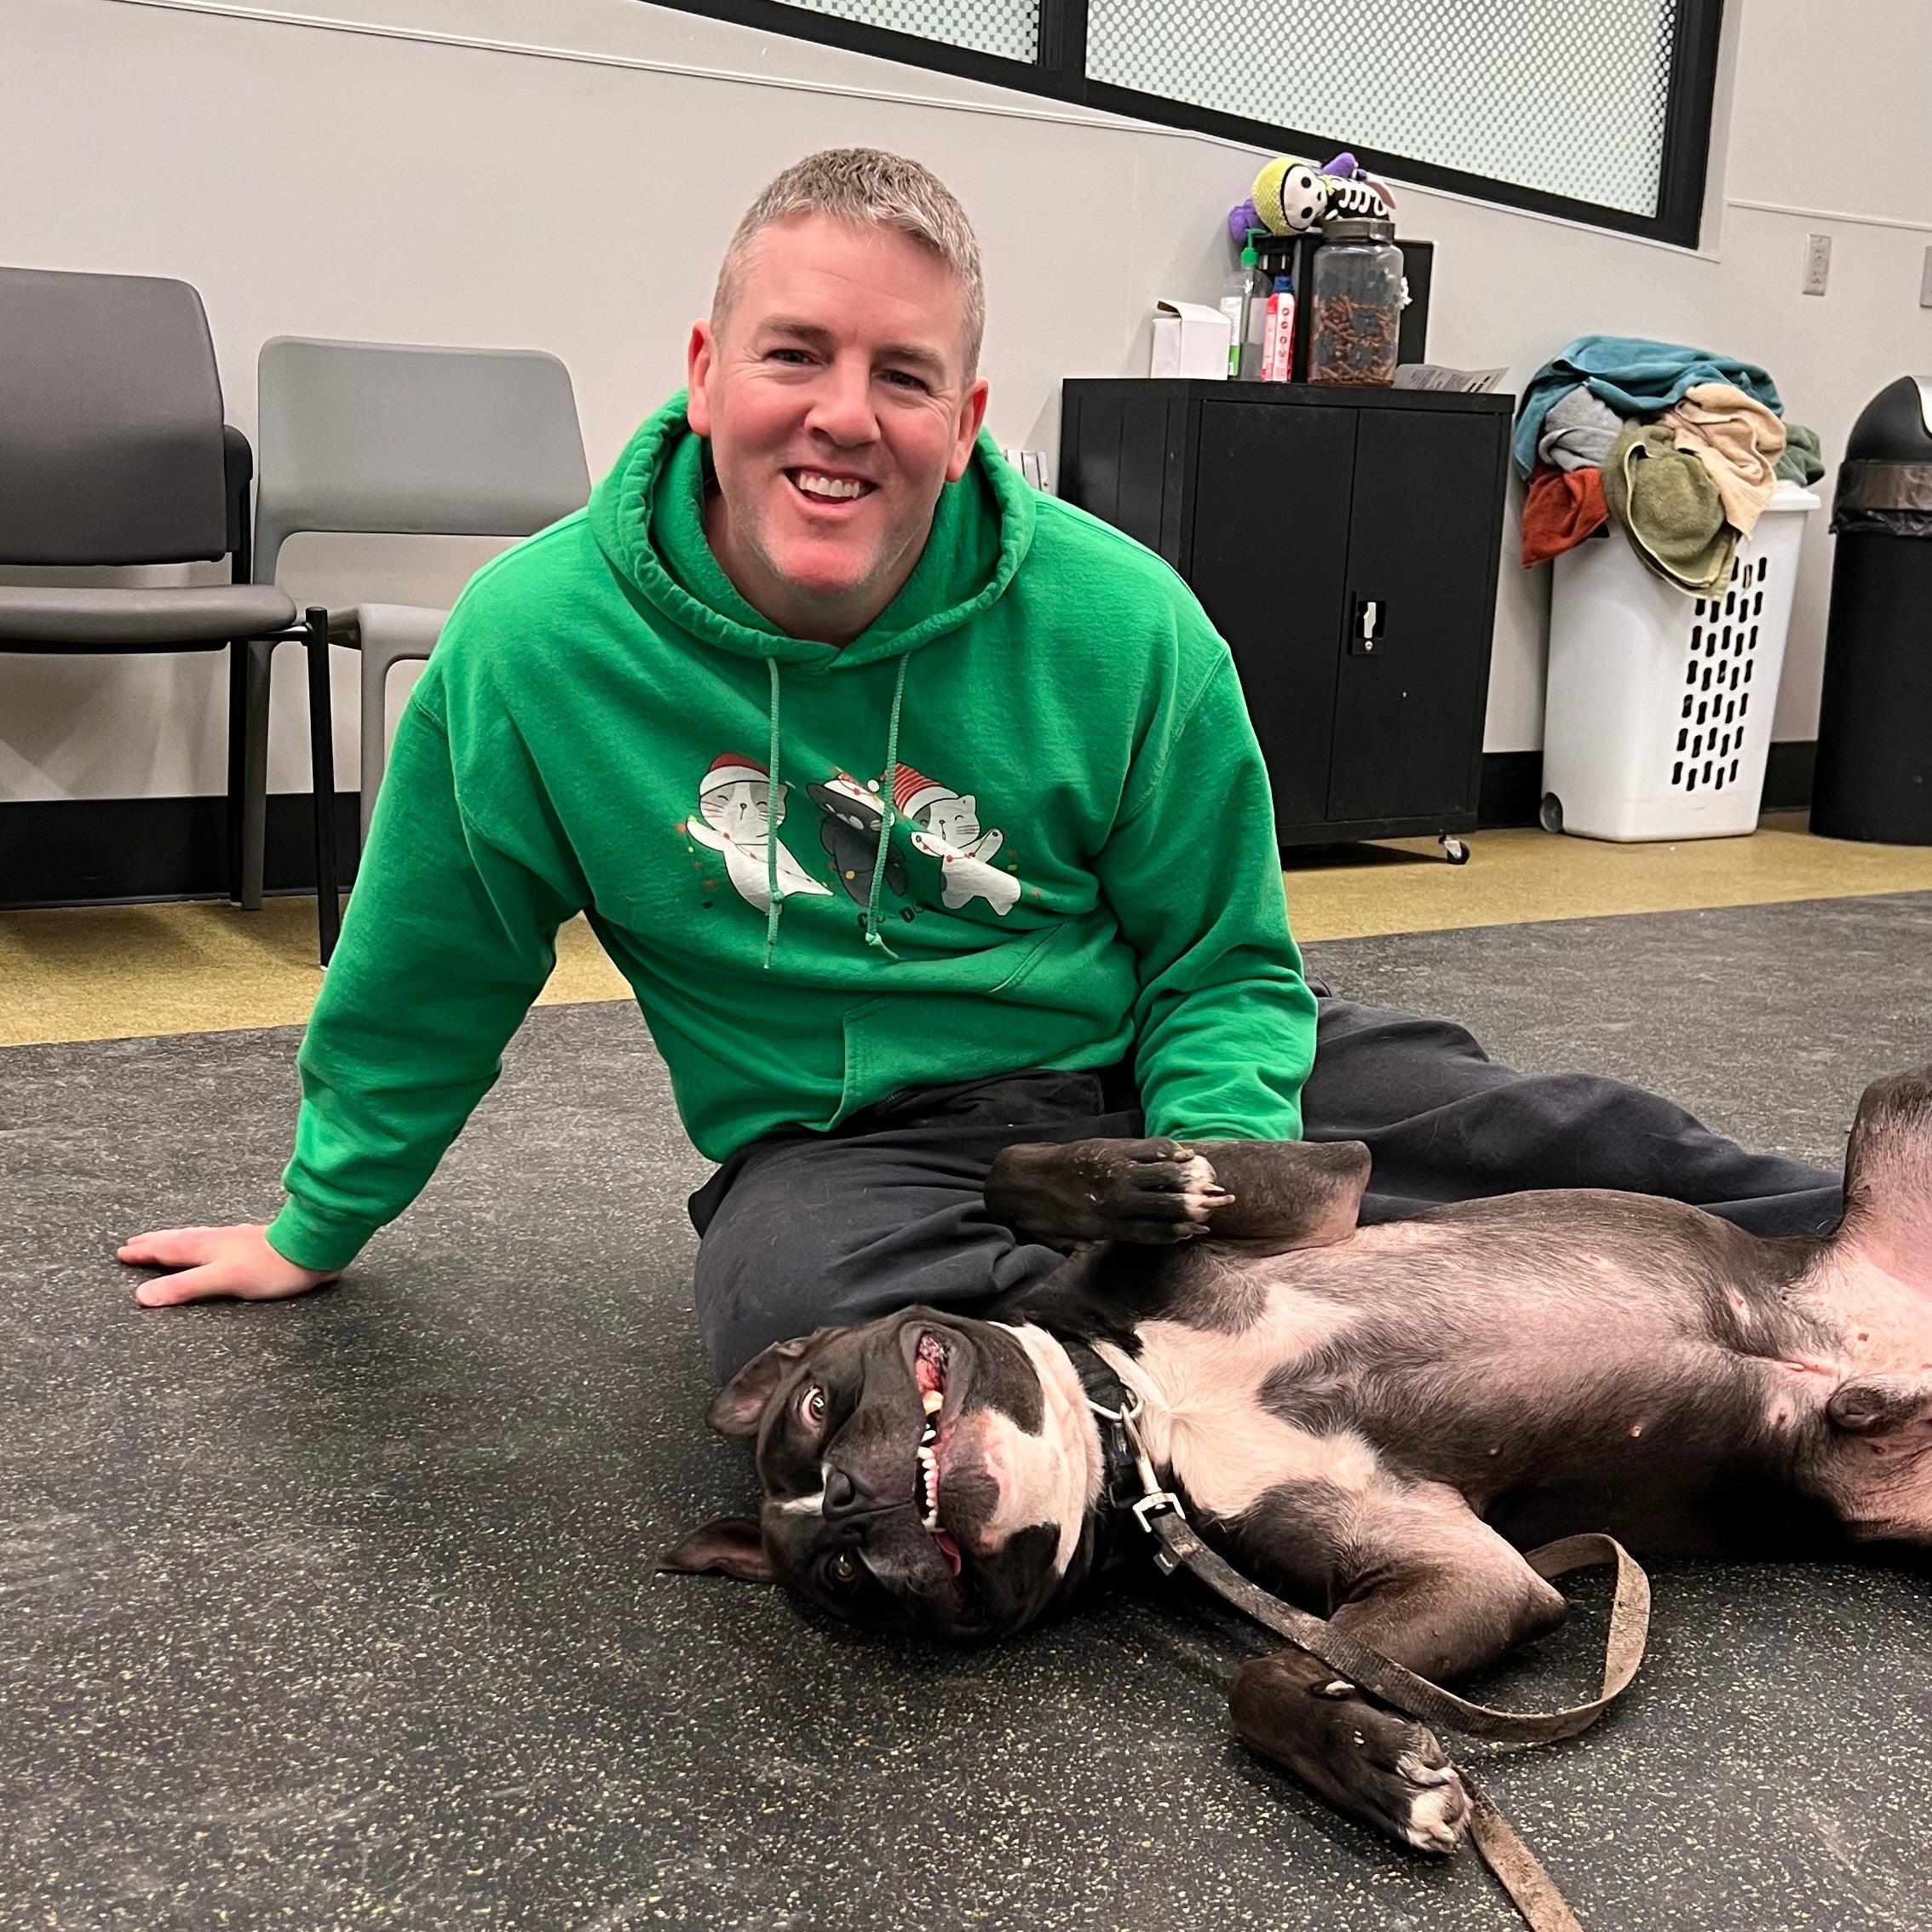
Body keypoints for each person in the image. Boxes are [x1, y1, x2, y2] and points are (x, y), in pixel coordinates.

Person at [118, 149, 1842, 1378]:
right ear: (710, 373)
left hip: (1140, 1073)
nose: (843, 415)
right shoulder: (533, 645)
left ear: (964, 413)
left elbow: (1225, 966)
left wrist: (1225, 1185)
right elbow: (432, 963)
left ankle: (1853, 1260)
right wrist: (317, 1219)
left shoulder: (1122, 621)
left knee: (1559, 1131)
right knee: (806, 1327)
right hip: (849, 1147)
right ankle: (1312, 1369)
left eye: (904, 376)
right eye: (795, 353)